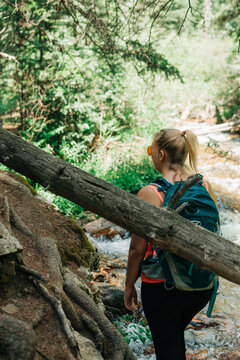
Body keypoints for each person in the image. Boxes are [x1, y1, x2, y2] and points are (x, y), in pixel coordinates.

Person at [124, 128, 219, 360]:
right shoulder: (204, 184)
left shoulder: (150, 193)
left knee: (168, 349)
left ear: (161, 154)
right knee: (174, 340)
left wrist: (128, 286)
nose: (151, 155)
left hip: (162, 288)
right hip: (201, 285)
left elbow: (137, 249)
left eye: (151, 150)